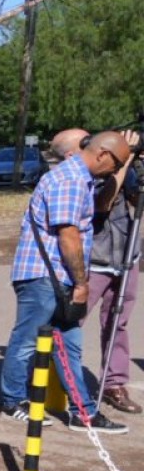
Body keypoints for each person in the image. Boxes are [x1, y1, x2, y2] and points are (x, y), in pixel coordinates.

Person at [0, 131, 132, 433]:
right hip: (44, 276)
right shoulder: (70, 180)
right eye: (117, 163)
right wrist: (82, 284)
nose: (115, 170)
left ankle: (83, 412)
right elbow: (67, 235)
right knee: (27, 340)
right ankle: (12, 400)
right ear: (102, 155)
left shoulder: (81, 179)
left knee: (69, 346)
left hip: (59, 278)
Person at [93, 159, 143, 415]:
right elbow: (103, 203)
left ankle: (114, 384)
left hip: (126, 255)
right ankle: (49, 380)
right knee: (67, 322)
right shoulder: (92, 170)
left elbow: (135, 201)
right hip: (93, 259)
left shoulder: (132, 169)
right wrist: (122, 165)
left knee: (117, 323)